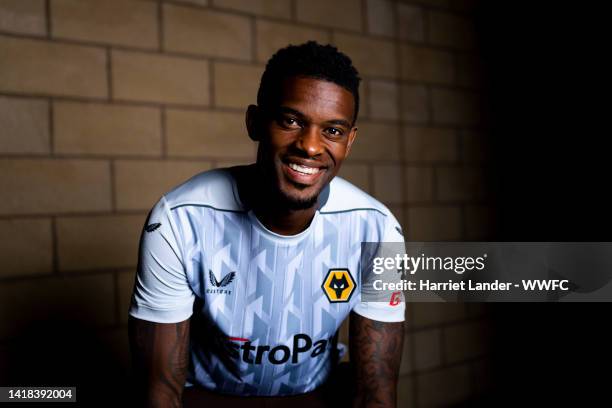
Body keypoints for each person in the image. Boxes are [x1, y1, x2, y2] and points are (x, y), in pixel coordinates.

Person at [128, 41, 406, 408]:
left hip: (314, 399)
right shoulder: (180, 220)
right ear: (255, 123)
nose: (309, 146)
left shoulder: (378, 230)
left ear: (350, 141)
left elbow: (376, 393)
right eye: (291, 121)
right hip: (209, 400)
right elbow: (161, 393)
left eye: (333, 131)